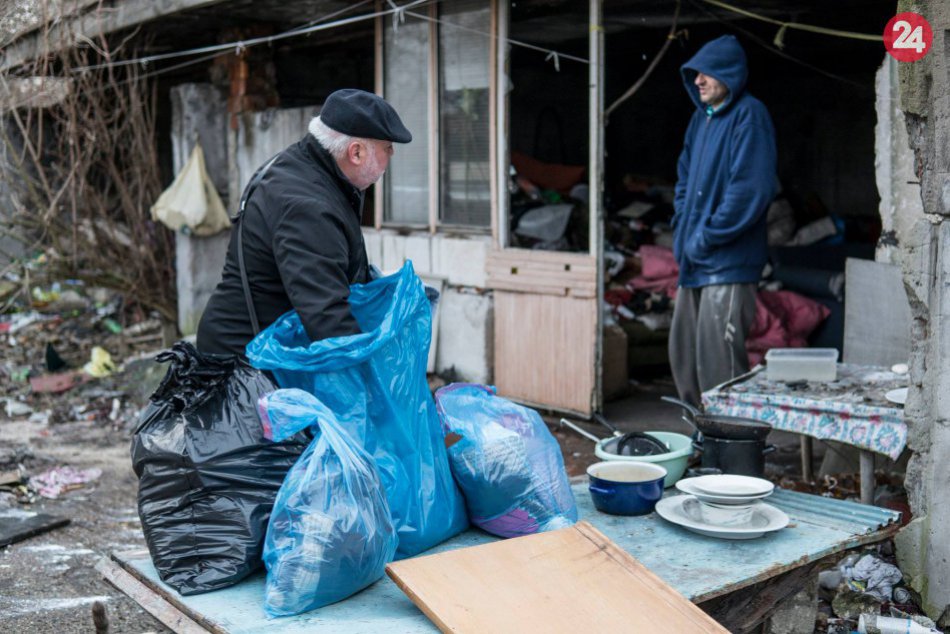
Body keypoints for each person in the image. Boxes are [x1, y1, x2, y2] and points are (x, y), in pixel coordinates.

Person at [197, 88, 412, 358]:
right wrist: (372, 373)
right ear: (356, 153)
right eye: (387, 147)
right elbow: (328, 319)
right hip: (240, 360)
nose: (391, 155)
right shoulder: (307, 206)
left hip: (267, 350)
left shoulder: (312, 171)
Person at [669, 35, 777, 407]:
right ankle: (699, 434)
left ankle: (727, 438)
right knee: (684, 357)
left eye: (707, 72)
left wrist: (707, 236)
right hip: (694, 259)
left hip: (728, 262)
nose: (698, 80)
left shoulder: (750, 115)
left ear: (729, 73)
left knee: (719, 365)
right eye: (695, 73)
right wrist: (682, 227)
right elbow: (683, 179)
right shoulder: (700, 120)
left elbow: (750, 190)